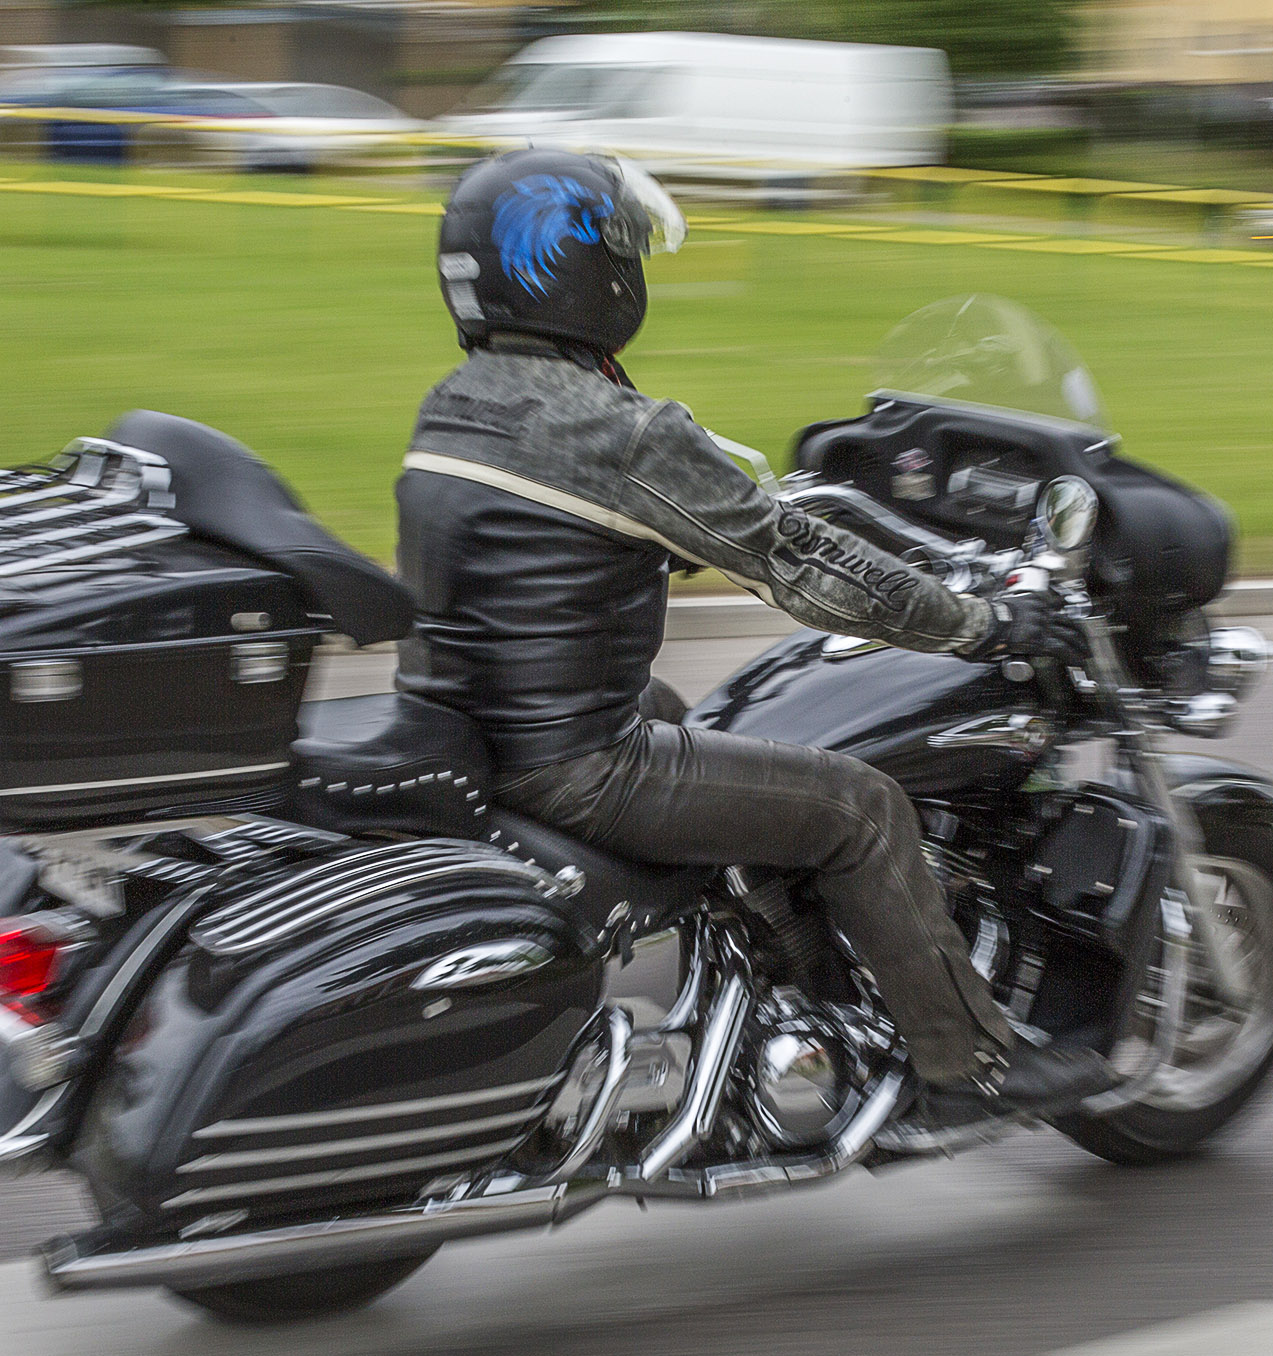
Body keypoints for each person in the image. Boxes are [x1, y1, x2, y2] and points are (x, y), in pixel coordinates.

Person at [396, 148, 1113, 1123]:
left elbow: (534, 548)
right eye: (622, 247)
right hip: (573, 766)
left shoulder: (456, 403)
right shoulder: (621, 430)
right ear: (581, 267)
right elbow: (801, 562)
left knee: (689, 719)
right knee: (861, 807)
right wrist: (982, 623)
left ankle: (789, 977)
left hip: (472, 733)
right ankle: (967, 1067)